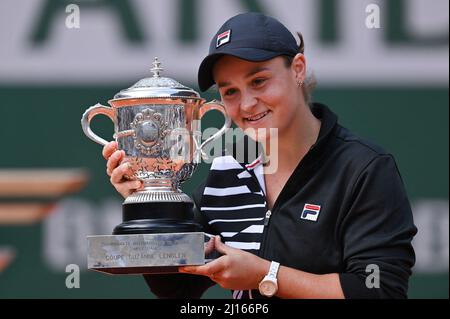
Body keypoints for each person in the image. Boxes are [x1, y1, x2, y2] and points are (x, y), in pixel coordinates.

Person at [102, 12, 417, 299]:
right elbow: (179, 286)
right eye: (230, 92)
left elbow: (380, 291)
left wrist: (266, 275)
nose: (248, 104)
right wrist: (149, 201)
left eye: (259, 81)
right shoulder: (229, 167)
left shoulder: (363, 168)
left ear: (297, 69)